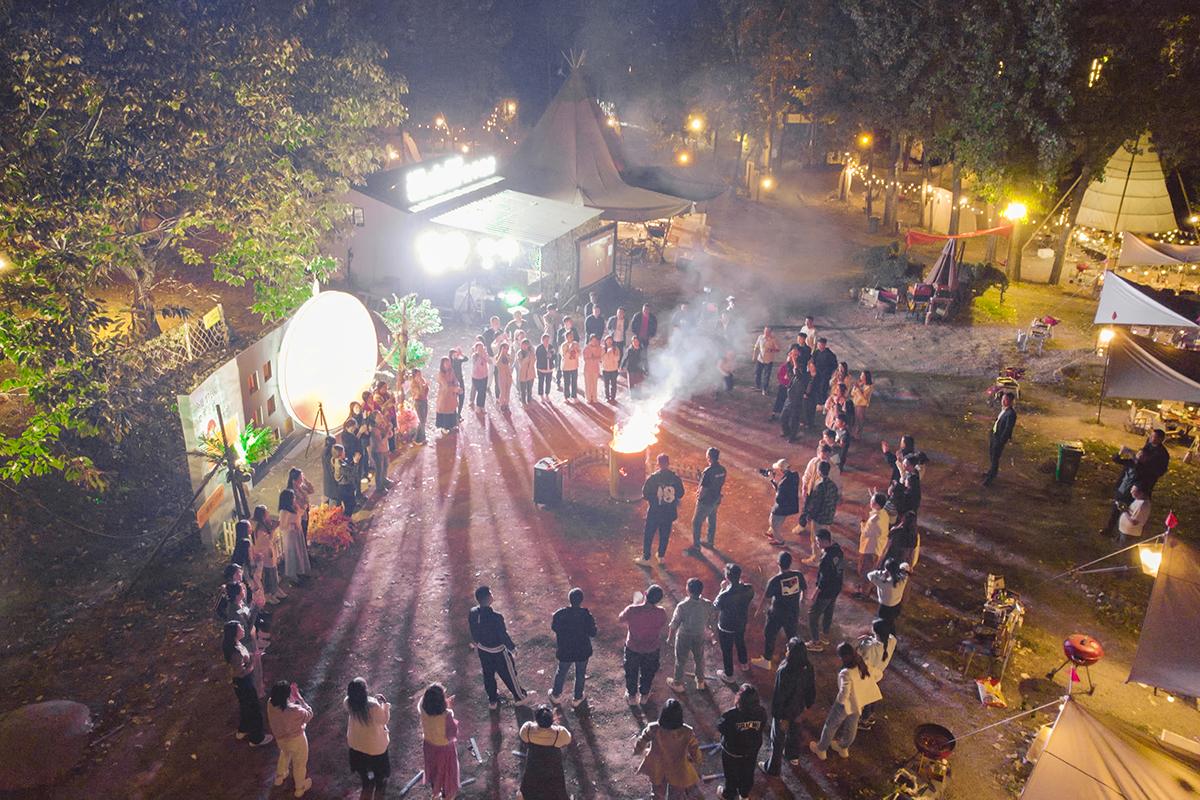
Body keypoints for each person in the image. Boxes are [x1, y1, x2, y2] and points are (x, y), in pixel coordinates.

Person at [809, 643, 881, 760]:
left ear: (843, 657)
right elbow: (879, 675)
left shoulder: (846, 673)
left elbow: (844, 692)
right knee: (852, 725)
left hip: (844, 704)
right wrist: (863, 687)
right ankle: (843, 748)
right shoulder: (863, 665)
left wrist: (839, 702)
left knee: (831, 725)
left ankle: (821, 749)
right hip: (859, 702)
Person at [468, 586, 532, 710]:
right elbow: (502, 635)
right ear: (489, 597)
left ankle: (492, 700)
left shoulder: (473, 612)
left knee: (488, 675)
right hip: (498, 652)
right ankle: (520, 697)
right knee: (509, 674)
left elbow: (473, 630)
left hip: (483, 650)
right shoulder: (496, 617)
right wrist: (512, 648)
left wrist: (477, 642)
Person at [764, 637, 816, 775]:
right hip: (799, 709)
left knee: (777, 739)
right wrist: (808, 703)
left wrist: (778, 715)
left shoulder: (785, 670)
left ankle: (773, 768)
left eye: (788, 648)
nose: (786, 650)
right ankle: (793, 756)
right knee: (795, 732)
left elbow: (779, 694)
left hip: (784, 712)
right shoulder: (808, 667)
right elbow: (811, 687)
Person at [633, 699, 702, 800]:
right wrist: (697, 760)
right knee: (676, 794)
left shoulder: (653, 728)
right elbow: (694, 749)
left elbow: (642, 740)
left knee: (657, 792)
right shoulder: (687, 732)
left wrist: (637, 750)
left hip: (657, 766)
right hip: (679, 769)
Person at [752, 551, 806, 668]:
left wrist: (759, 610)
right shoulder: (798, 575)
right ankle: (795, 658)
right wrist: (803, 600)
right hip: (793, 611)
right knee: (792, 635)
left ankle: (767, 660)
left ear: (778, 563)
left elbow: (766, 599)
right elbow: (804, 589)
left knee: (770, 634)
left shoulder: (775, 580)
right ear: (790, 563)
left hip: (777, 614)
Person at [223, 620, 272, 747]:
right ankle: (256, 738)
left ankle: (243, 729)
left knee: (245, 706)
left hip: (241, 683)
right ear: (235, 633)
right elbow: (241, 672)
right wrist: (254, 661)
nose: (243, 630)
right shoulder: (235, 653)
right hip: (244, 683)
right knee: (254, 708)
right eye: (240, 629)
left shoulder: (236, 644)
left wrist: (252, 655)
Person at [618, 584, 669, 705]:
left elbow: (620, 618)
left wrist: (635, 604)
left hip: (633, 648)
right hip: (652, 649)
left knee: (631, 672)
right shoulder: (661, 612)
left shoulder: (632, 609)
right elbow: (662, 624)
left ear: (645, 594)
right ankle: (644, 695)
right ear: (659, 600)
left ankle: (632, 696)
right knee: (648, 673)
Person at [550, 587, 597, 708]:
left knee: (561, 672)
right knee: (580, 673)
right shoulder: (586, 615)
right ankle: (577, 697)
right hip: (582, 651)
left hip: (565, 650)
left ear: (569, 599)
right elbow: (593, 633)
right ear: (581, 600)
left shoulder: (560, 614)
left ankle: (556, 695)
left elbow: (554, 627)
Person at [717, 684, 766, 800]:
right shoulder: (761, 712)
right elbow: (762, 725)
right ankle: (744, 795)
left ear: (739, 699)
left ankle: (728, 794)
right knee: (748, 772)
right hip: (751, 750)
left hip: (732, 752)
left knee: (731, 774)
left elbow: (721, 727)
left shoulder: (730, 715)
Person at [668, 578, 715, 692]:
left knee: (680, 660)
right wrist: (709, 630)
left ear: (688, 590)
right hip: (699, 634)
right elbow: (711, 619)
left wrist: (670, 638)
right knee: (699, 658)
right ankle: (700, 681)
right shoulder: (708, 604)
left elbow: (674, 624)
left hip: (684, 636)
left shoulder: (682, 606)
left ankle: (678, 683)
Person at [346, 677, 390, 797]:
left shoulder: (348, 703)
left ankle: (367, 783)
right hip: (375, 747)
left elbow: (357, 702)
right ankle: (379, 784)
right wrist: (384, 704)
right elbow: (384, 720)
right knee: (379, 770)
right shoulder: (374, 707)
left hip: (356, 745)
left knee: (363, 768)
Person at [268, 680, 313, 797]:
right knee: (299, 764)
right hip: (297, 741)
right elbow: (309, 714)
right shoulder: (296, 710)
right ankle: (299, 788)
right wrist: (299, 698)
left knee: (285, 753)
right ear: (286, 696)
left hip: (281, 740)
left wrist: (290, 698)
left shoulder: (270, 703)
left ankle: (280, 776)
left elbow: (284, 707)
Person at [639, 453, 685, 565]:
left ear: (658, 463)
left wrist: (654, 499)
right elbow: (681, 493)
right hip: (669, 512)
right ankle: (661, 556)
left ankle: (646, 558)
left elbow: (645, 494)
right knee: (665, 534)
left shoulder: (653, 478)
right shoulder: (675, 478)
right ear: (668, 463)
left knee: (649, 534)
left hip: (655, 511)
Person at [519, 705, 572, 800]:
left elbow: (523, 736)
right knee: (556, 785)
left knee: (530, 785)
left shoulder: (527, 728)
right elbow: (568, 739)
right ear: (552, 720)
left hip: (533, 762)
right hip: (553, 764)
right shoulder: (559, 733)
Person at [418, 683, 460, 800]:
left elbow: (423, 701)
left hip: (429, 746)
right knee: (447, 773)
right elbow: (452, 734)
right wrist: (449, 708)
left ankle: (435, 793)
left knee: (434, 770)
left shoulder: (422, 707)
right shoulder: (447, 715)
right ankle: (447, 795)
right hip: (445, 750)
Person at [714, 563, 754, 682]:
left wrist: (722, 588)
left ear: (727, 577)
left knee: (727, 650)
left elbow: (715, 606)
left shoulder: (724, 595)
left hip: (726, 626)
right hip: (741, 622)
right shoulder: (749, 588)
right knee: (740, 642)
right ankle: (744, 664)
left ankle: (729, 675)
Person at [806, 529, 844, 652]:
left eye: (818, 542)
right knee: (829, 610)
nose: (817, 544)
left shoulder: (826, 559)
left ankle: (816, 642)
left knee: (813, 615)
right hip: (836, 587)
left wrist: (815, 594)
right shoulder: (838, 550)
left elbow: (823, 580)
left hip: (826, 591)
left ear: (825, 541)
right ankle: (825, 634)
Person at [856, 618, 897, 729]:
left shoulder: (868, 647)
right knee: (873, 694)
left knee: (866, 697)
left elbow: (858, 657)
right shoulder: (892, 640)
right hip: (878, 673)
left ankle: (864, 720)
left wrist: (865, 641)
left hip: (867, 676)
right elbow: (879, 642)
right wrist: (870, 638)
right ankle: (870, 715)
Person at [800, 462, 840, 564]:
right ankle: (826, 553)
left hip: (819, 518)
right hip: (828, 517)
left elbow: (815, 505)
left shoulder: (819, 486)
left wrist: (809, 515)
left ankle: (815, 559)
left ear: (819, 471)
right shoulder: (833, 485)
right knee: (826, 537)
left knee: (816, 538)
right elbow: (836, 500)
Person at [689, 447, 727, 552]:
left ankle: (696, 545)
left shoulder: (708, 471)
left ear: (709, 457)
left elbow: (704, 488)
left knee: (696, 522)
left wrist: (699, 497)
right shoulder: (722, 470)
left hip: (706, 501)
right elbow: (717, 482)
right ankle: (710, 542)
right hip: (716, 499)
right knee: (712, 519)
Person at [856, 492, 890, 598]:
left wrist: (863, 520)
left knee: (865, 571)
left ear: (877, 504)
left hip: (870, 549)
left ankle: (864, 593)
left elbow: (865, 532)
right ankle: (867, 588)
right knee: (871, 569)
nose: (870, 502)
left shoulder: (874, 519)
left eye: (872, 501)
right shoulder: (884, 514)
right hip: (878, 548)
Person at [867, 558, 908, 641]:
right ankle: (893, 639)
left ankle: (886, 641)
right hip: (897, 606)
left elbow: (869, 575)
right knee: (890, 622)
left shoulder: (884, 584)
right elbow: (905, 565)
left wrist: (881, 573)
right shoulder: (903, 578)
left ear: (887, 571)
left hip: (885, 608)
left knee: (884, 626)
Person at [249, 505, 283, 605]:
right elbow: (266, 541)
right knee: (268, 574)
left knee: (273, 572)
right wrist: (273, 530)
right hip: (265, 554)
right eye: (266, 512)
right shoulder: (260, 528)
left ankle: (275, 590)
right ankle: (268, 595)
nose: (268, 514)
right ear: (263, 515)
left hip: (269, 553)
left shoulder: (265, 525)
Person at [983, 391, 1017, 486]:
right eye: (1003, 399)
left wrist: (1001, 441)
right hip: (994, 436)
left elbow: (1007, 429)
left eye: (1005, 399)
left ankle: (990, 478)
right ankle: (990, 472)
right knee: (992, 455)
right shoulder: (1004, 410)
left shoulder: (1011, 414)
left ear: (1010, 401)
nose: (1003, 401)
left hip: (999, 439)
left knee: (995, 458)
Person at [764, 458, 799, 546]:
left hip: (783, 507)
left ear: (781, 470)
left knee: (773, 522)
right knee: (777, 520)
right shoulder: (794, 476)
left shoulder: (784, 483)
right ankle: (771, 532)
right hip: (790, 505)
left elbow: (779, 498)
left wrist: (773, 481)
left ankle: (780, 541)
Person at [279, 488, 311, 585]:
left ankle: (300, 571)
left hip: (297, 533)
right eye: (293, 498)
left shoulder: (293, 507)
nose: (294, 499)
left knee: (299, 552)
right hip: (290, 535)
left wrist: (300, 508)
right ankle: (293, 575)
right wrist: (292, 525)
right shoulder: (284, 512)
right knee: (292, 554)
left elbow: (300, 514)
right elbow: (282, 526)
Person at [434, 356, 463, 433]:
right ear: (442, 365)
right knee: (445, 411)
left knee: (452, 410)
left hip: (451, 396)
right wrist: (454, 389)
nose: (448, 364)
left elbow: (455, 379)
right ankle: (444, 428)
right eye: (446, 363)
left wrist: (457, 385)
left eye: (448, 363)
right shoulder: (441, 374)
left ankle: (452, 425)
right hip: (444, 396)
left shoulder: (451, 371)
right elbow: (445, 386)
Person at [752, 326, 781, 393]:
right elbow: (756, 347)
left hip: (769, 360)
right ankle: (758, 386)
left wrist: (771, 350)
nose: (766, 332)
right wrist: (754, 355)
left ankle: (764, 389)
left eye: (768, 331)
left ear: (770, 332)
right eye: (765, 331)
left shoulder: (773, 339)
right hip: (760, 359)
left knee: (766, 375)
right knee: (757, 373)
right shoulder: (760, 337)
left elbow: (778, 349)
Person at [369, 411, 391, 492]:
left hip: (385, 450)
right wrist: (387, 433)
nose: (381, 417)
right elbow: (381, 442)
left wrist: (389, 430)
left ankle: (384, 479)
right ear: (374, 419)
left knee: (385, 466)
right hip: (378, 452)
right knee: (379, 470)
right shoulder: (374, 430)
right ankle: (379, 487)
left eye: (380, 415)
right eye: (378, 417)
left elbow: (389, 435)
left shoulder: (382, 425)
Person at [580, 333, 602, 403]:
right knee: (588, 383)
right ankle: (588, 397)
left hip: (595, 368)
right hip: (587, 369)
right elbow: (585, 359)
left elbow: (600, 358)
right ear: (590, 340)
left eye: (595, 340)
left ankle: (594, 397)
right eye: (593, 340)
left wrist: (593, 359)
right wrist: (593, 359)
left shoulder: (599, 348)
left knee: (594, 384)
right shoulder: (586, 348)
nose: (594, 342)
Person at [409, 368, 429, 444]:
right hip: (418, 402)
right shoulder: (413, 384)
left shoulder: (422, 380)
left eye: (420, 374)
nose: (420, 376)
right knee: (421, 420)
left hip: (424, 401)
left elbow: (426, 391)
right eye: (418, 375)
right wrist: (422, 385)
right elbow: (420, 393)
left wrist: (425, 386)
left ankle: (420, 437)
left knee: (424, 420)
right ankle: (419, 438)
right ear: (414, 376)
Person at [850, 370, 873, 438]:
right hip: (855, 404)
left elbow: (864, 399)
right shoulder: (860, 384)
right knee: (854, 420)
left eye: (862, 375)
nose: (861, 377)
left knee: (859, 421)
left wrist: (858, 389)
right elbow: (852, 394)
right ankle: (853, 434)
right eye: (861, 375)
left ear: (866, 377)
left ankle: (857, 435)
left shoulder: (869, 387)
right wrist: (855, 387)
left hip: (861, 406)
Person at [469, 341, 491, 410]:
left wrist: (484, 355)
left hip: (484, 376)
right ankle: (478, 406)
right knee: (480, 391)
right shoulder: (474, 356)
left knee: (483, 392)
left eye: (482, 348)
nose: (480, 350)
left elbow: (490, 361)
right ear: (476, 349)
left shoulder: (485, 354)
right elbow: (476, 365)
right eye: (479, 348)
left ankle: (482, 406)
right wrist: (481, 356)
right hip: (476, 377)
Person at [534, 333, 556, 399]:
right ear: (542, 340)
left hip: (549, 368)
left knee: (548, 382)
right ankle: (541, 395)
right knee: (541, 382)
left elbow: (555, 356)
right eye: (546, 340)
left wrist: (551, 356)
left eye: (548, 340)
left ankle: (547, 394)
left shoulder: (551, 347)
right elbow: (538, 358)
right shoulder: (539, 348)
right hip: (541, 368)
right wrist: (546, 356)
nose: (547, 341)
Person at [494, 341, 514, 411]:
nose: (506, 349)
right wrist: (501, 353)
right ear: (501, 348)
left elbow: (511, 361)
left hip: (508, 375)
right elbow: (497, 364)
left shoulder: (508, 356)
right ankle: (502, 404)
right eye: (505, 348)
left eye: (507, 348)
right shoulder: (497, 356)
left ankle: (507, 404)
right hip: (502, 376)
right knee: (503, 391)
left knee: (508, 391)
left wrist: (505, 354)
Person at [601, 334, 621, 402]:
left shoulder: (616, 349)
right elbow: (602, 359)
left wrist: (612, 353)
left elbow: (617, 359)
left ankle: (613, 397)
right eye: (608, 340)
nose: (609, 341)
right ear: (605, 341)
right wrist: (607, 353)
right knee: (606, 385)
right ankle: (607, 397)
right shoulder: (603, 349)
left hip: (614, 370)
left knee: (613, 385)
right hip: (606, 369)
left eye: (610, 340)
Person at [448, 347, 468, 416]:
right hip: (453, 383)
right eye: (453, 355)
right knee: (453, 398)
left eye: (455, 354)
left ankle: (459, 413)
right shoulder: (449, 363)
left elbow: (466, 359)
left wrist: (461, 354)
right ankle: (454, 412)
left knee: (461, 397)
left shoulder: (458, 360)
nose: (455, 356)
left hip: (460, 381)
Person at [516, 339, 536, 404]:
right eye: (523, 345)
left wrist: (531, 354)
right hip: (522, 373)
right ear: (521, 345)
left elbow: (533, 360)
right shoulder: (519, 353)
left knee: (530, 389)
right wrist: (527, 357)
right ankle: (523, 402)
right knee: (523, 390)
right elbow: (521, 363)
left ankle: (529, 401)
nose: (525, 346)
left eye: (526, 345)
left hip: (531, 373)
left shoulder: (531, 352)